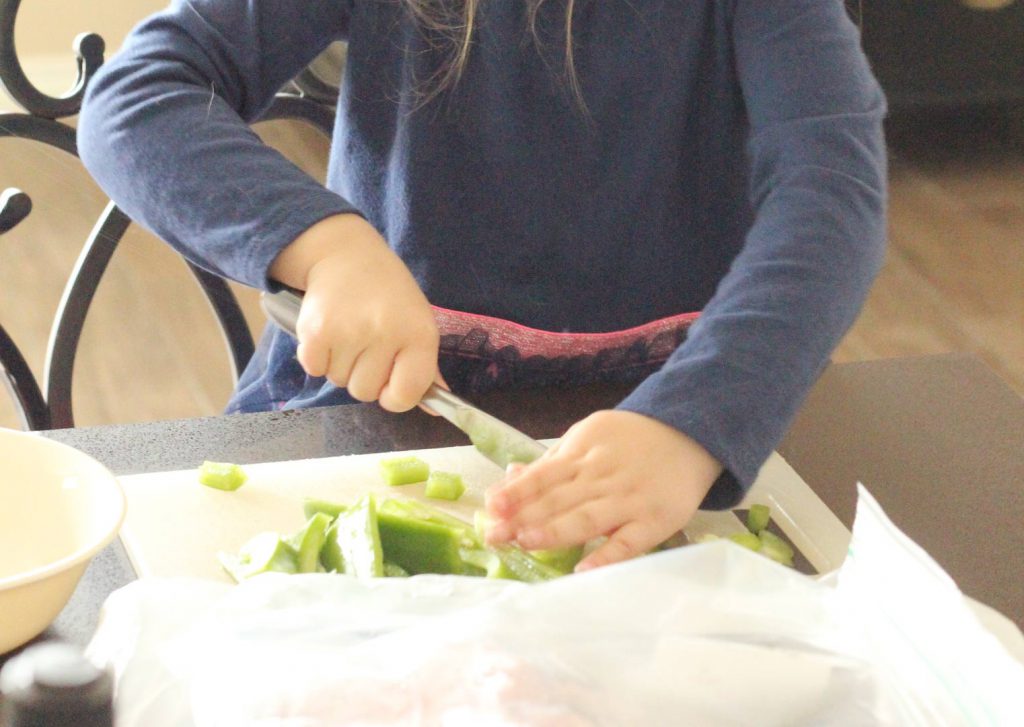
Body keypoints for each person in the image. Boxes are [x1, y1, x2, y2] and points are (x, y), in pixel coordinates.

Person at [77, 0, 887, 573]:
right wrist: (325, 248)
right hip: (358, 424)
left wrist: (695, 427)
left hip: (652, 451)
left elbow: (833, 198)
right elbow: (136, 98)